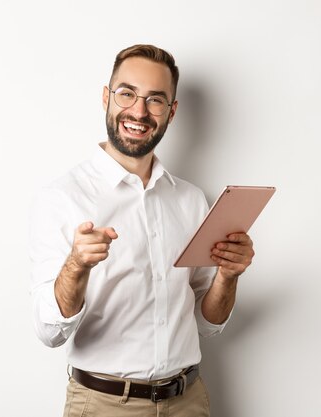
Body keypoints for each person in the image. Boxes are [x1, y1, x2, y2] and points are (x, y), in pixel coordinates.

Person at [29, 44, 255, 417]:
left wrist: (228, 276)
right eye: (127, 93)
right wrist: (76, 265)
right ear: (106, 97)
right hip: (104, 406)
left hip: (188, 401)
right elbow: (49, 332)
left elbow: (206, 323)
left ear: (172, 111)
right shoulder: (62, 198)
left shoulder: (192, 200)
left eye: (155, 100)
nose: (139, 111)